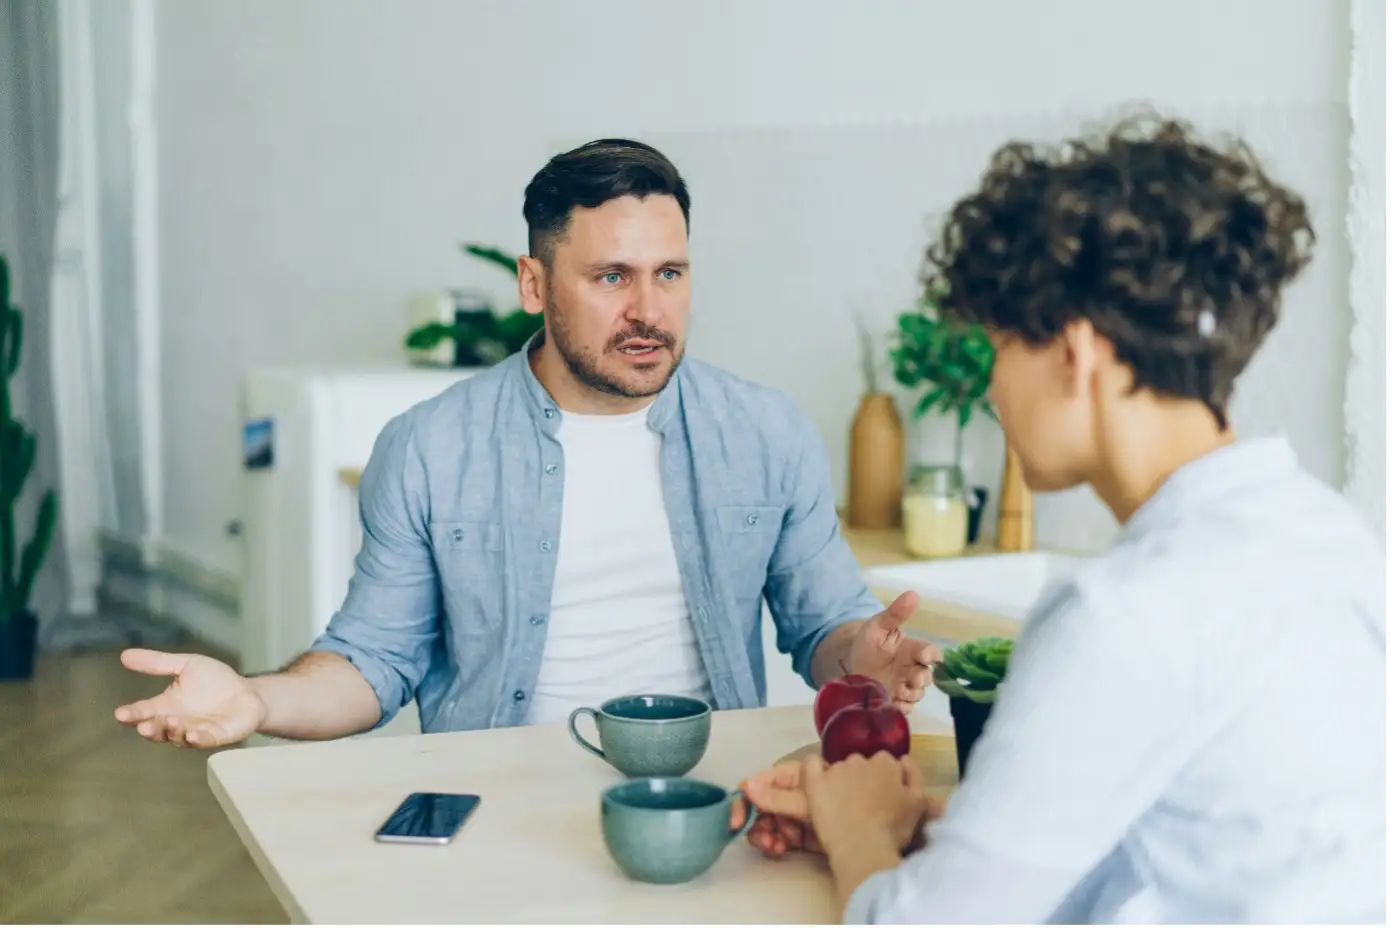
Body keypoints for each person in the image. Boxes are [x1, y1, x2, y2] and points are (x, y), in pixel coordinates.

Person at [735, 115, 1386, 923]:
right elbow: (1188, 847)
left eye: (1002, 345)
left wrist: (857, 826)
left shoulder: (1125, 612)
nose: (991, 387)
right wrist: (934, 836)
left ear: (1074, 356)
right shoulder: (1328, 536)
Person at [113, 138, 941, 748]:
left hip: (707, 795)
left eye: (671, 274)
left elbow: (823, 628)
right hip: (494, 797)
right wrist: (257, 700)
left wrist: (861, 652)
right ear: (534, 283)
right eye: (612, 277)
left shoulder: (765, 433)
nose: (649, 311)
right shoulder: (431, 448)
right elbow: (372, 662)